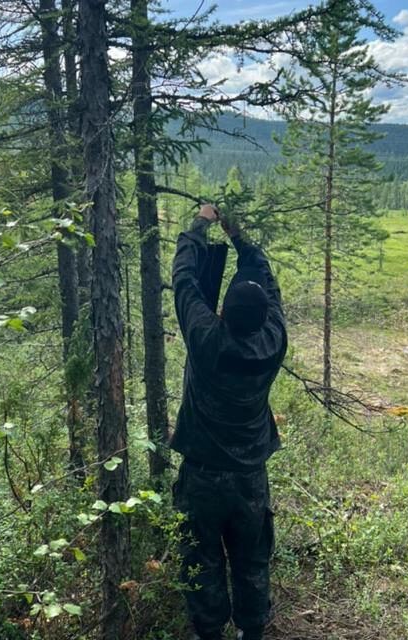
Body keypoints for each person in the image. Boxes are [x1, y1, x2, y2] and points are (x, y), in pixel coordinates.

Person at [171, 203, 288, 640]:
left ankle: (209, 633)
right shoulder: (273, 341)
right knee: (252, 559)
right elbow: (268, 280)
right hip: (250, 475)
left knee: (201, 559)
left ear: (222, 311)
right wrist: (240, 237)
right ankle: (252, 632)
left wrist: (201, 224)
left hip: (203, 475)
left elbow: (184, 280)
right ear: (263, 317)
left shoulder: (206, 337)